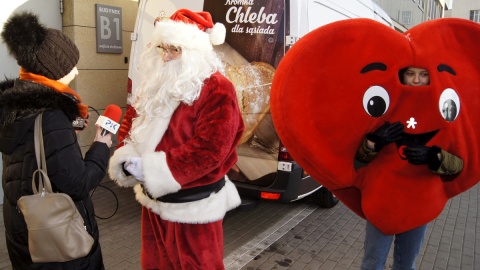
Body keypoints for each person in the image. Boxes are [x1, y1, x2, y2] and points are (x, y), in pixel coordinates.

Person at [108, 9, 244, 269]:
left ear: (195, 52)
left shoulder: (217, 88)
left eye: (175, 49)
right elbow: (132, 122)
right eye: (164, 47)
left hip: (193, 209)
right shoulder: (155, 83)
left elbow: (210, 149)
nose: (166, 56)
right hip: (153, 203)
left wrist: (151, 169)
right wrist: (127, 156)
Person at [0, 12, 112, 269]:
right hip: (59, 242)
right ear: (54, 72)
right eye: (71, 66)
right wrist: (101, 146)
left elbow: (30, 157)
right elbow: (78, 184)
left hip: (23, 231)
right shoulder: (50, 117)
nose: (76, 70)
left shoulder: (16, 105)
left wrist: (64, 137)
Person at [357, 67, 464, 270]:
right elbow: (358, 158)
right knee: (372, 264)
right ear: (401, 75)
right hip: (383, 200)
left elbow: (460, 163)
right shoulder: (385, 105)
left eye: (423, 74)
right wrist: (375, 142)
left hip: (418, 203)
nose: (416, 80)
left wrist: (435, 156)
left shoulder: (444, 110)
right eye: (410, 74)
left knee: (406, 265)